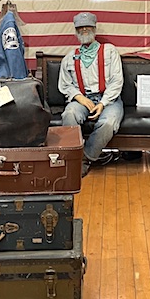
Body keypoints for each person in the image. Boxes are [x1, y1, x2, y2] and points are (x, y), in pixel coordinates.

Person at [58, 12, 123, 176]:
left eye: (88, 27)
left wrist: (102, 104)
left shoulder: (110, 51)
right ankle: (72, 157)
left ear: (94, 29)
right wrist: (79, 98)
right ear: (76, 31)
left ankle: (85, 159)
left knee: (108, 123)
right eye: (80, 28)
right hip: (82, 99)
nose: (84, 30)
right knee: (69, 114)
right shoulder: (69, 58)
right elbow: (65, 84)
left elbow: (116, 81)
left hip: (109, 99)